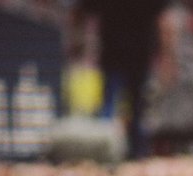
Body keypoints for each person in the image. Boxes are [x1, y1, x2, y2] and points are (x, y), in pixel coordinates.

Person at [73, 0, 176, 160]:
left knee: (114, 108)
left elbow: (81, 12)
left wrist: (76, 43)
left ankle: (108, 156)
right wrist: (166, 55)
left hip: (119, 55)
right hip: (132, 56)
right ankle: (136, 154)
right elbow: (164, 21)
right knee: (134, 109)